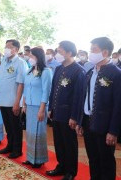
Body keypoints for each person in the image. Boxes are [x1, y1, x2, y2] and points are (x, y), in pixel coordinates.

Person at [76, 37, 121, 180]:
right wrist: (80, 121)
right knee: (93, 158)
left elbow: (118, 105)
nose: (90, 53)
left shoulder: (116, 73)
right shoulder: (90, 71)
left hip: (104, 124)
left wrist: (113, 131)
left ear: (105, 52)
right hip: (88, 122)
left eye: (93, 50)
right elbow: (85, 98)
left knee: (106, 160)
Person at [46, 41, 85, 180]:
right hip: (56, 112)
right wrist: (50, 107)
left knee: (69, 144)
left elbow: (78, 97)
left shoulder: (78, 70)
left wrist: (74, 117)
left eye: (60, 51)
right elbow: (53, 90)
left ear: (69, 52)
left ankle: (71, 171)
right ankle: (61, 166)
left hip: (68, 114)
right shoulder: (58, 68)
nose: (58, 54)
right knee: (59, 142)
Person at [0, 39, 28, 159]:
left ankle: (17, 149)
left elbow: (21, 84)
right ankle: (10, 146)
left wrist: (17, 103)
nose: (6, 49)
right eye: (5, 47)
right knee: (8, 126)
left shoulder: (20, 63)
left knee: (16, 127)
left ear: (16, 49)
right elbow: (1, 81)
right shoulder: (4, 61)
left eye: (9, 47)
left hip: (13, 101)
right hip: (3, 100)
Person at [22, 47, 52, 168]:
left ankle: (39, 159)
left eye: (32, 56)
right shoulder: (30, 70)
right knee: (30, 133)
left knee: (38, 133)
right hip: (29, 105)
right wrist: (24, 104)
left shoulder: (46, 71)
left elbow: (46, 91)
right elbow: (26, 87)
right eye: (29, 56)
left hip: (39, 106)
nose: (30, 59)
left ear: (38, 57)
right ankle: (30, 157)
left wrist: (42, 109)